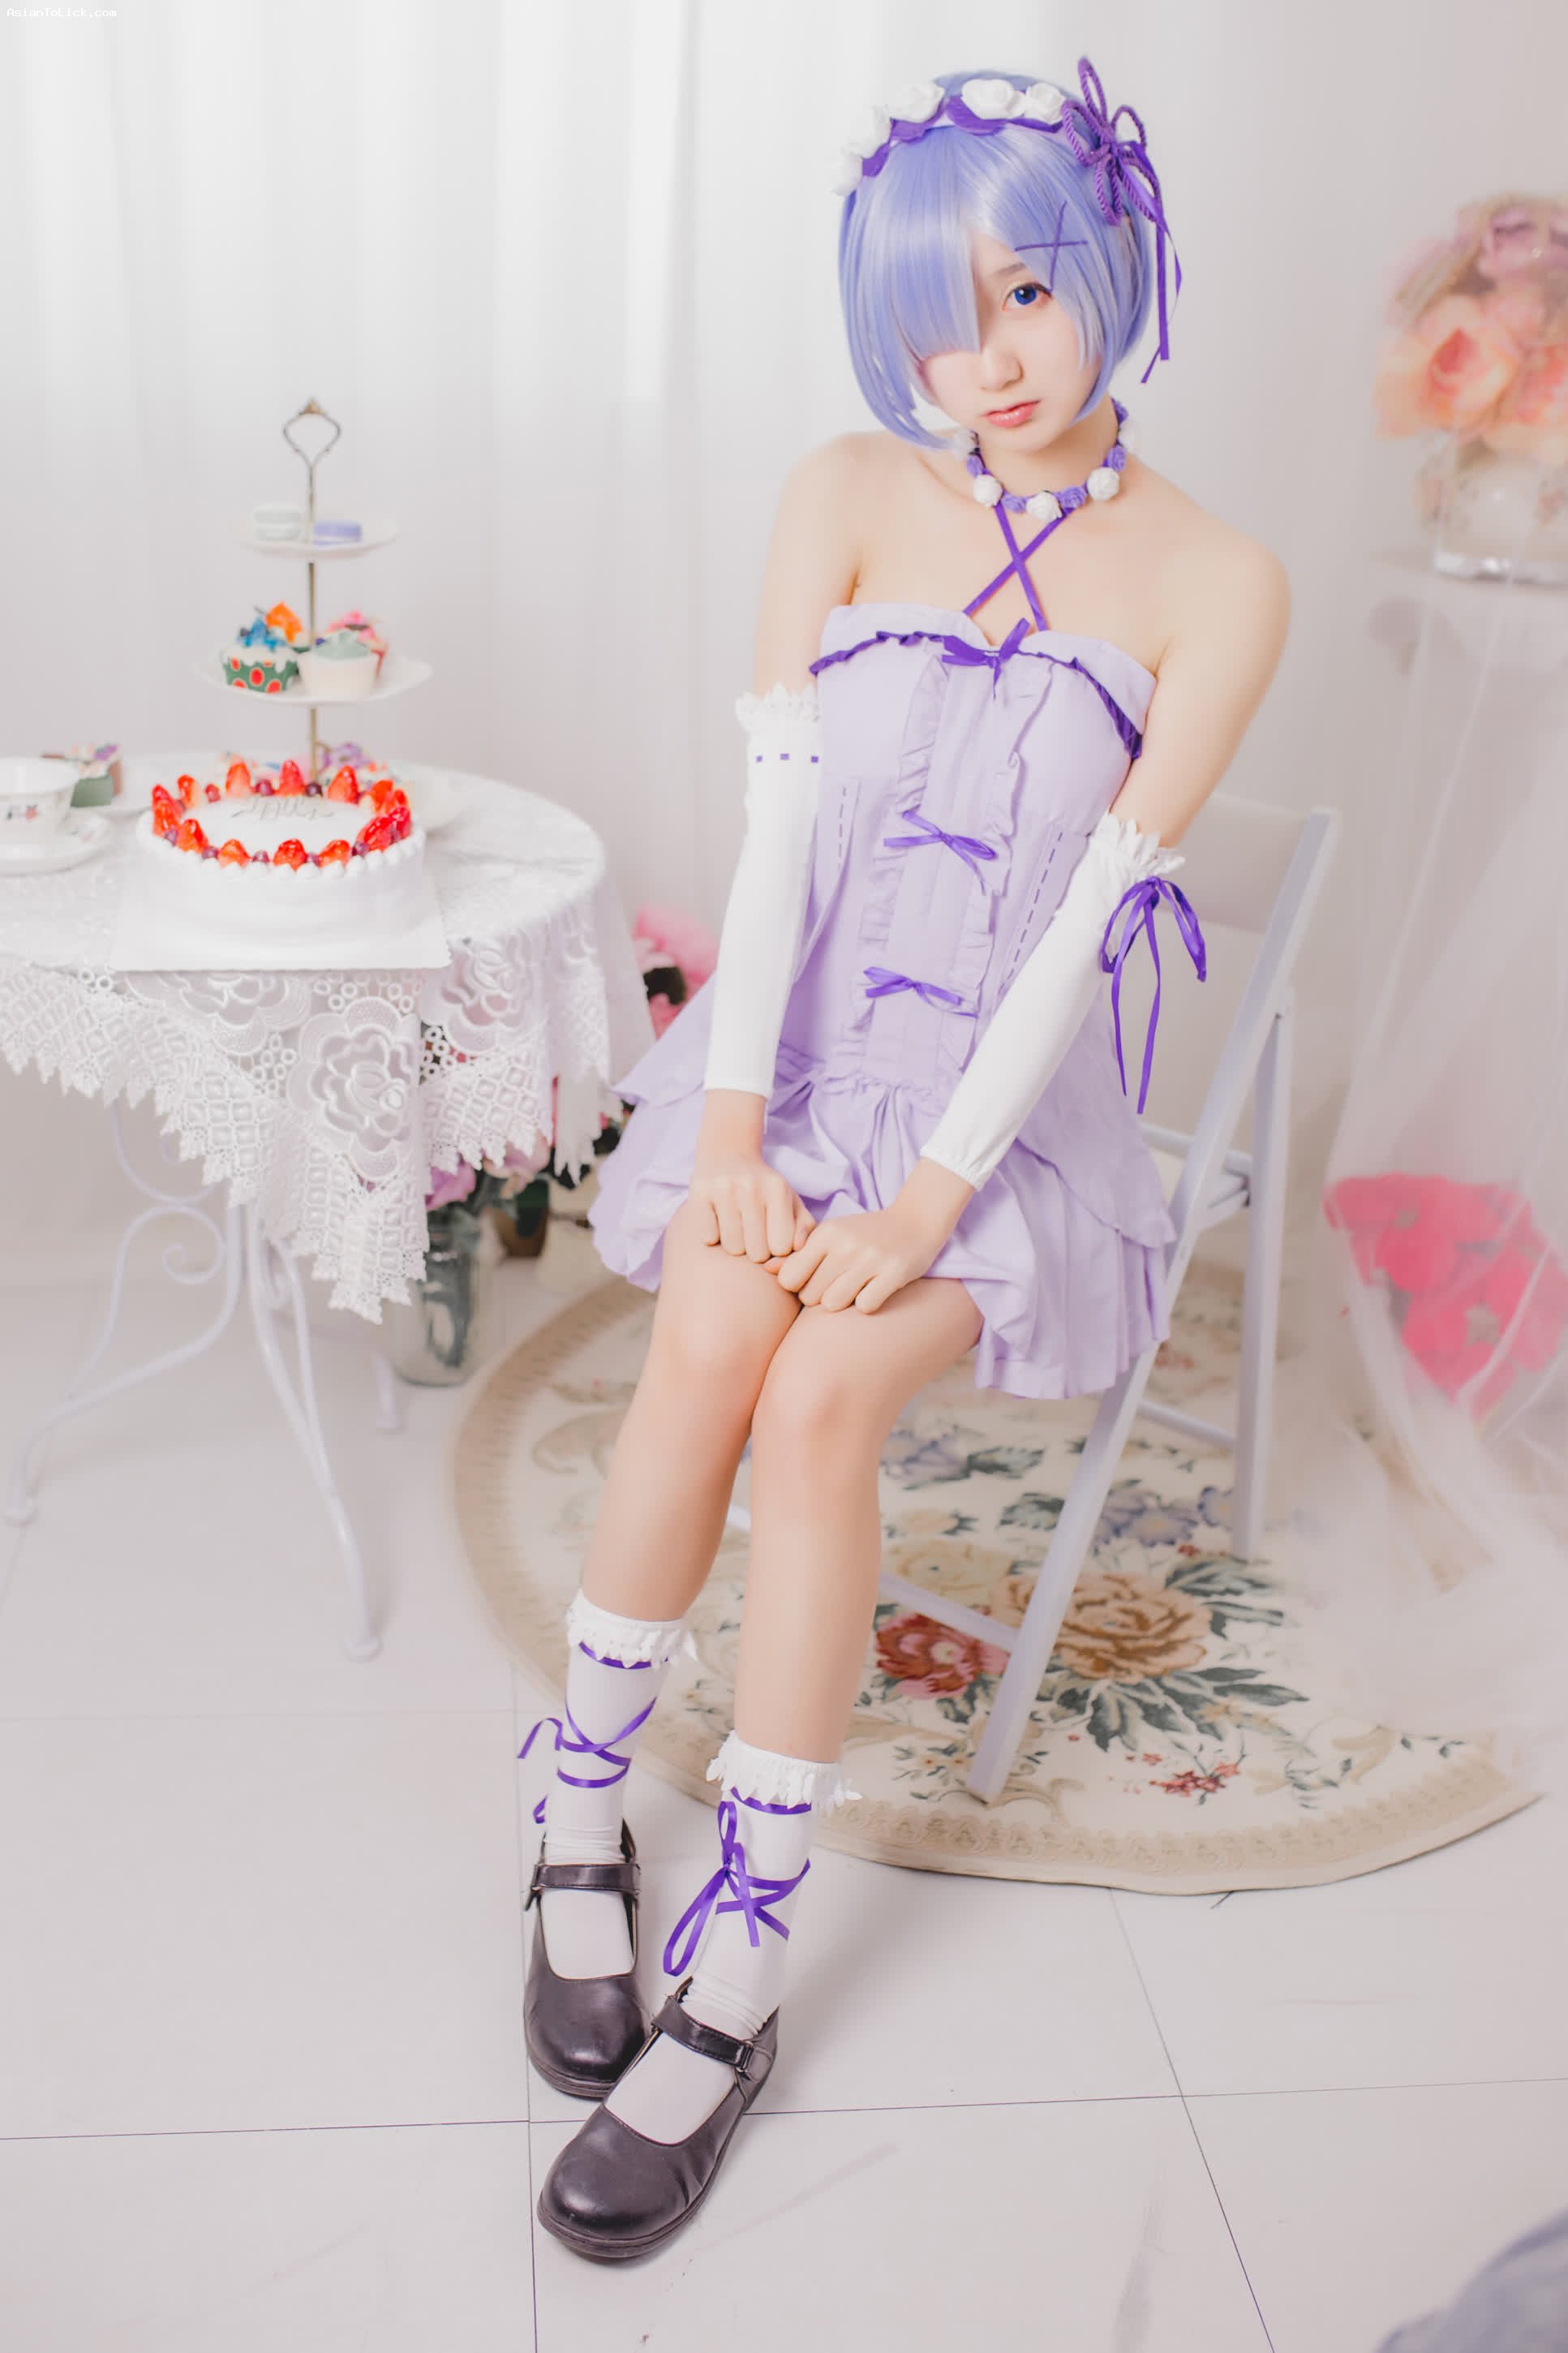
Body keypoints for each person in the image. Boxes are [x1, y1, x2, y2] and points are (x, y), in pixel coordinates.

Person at [523, 57, 1291, 2263]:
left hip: (1002, 1126)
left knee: (824, 1393)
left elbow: (1091, 922)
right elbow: (782, 837)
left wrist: (929, 1201)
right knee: (709, 1330)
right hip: (792, 1069)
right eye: (934, 325)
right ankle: (574, 1813)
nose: (990, 363)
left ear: (1109, 263)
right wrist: (738, 1132)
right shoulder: (845, 490)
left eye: (1026, 292)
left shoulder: (1219, 576)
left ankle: (746, 1954)